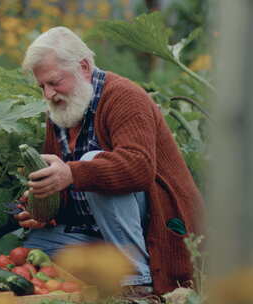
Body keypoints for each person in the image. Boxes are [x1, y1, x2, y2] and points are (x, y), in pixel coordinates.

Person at [15, 27, 203, 295]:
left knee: (96, 161)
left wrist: (70, 174)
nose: (48, 94)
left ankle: (138, 283)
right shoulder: (61, 112)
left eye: (54, 82)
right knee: (34, 249)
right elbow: (69, 189)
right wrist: (44, 204)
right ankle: (107, 274)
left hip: (154, 230)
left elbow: (138, 168)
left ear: (83, 67)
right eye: (42, 86)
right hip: (97, 234)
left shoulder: (125, 97)